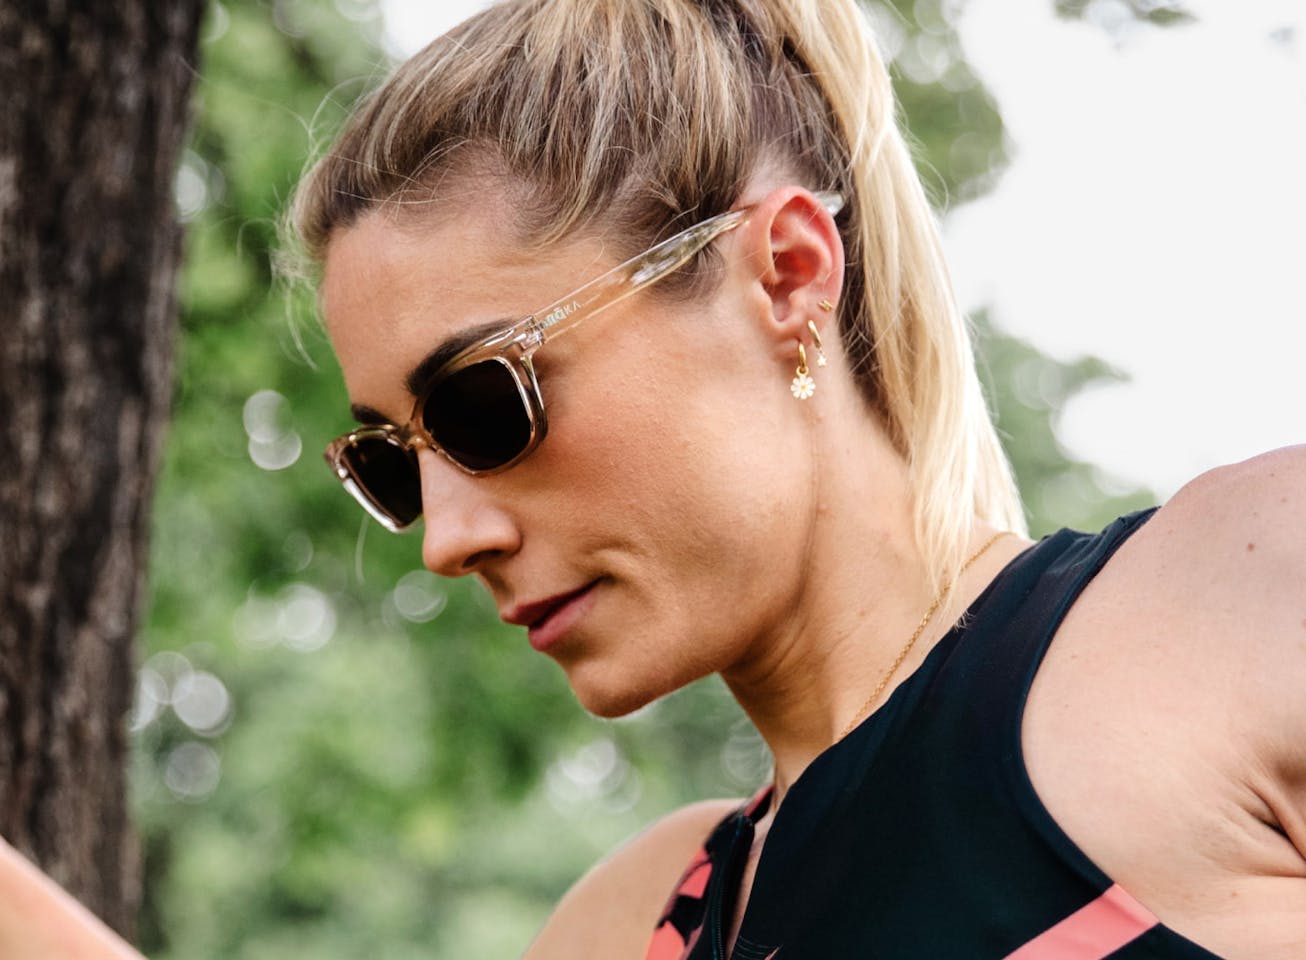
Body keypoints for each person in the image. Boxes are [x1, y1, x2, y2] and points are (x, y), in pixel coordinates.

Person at [0, 0, 1301, 957]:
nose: (442, 539)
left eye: (484, 404)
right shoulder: (645, 922)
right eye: (394, 465)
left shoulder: (1224, 603)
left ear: (783, 275)